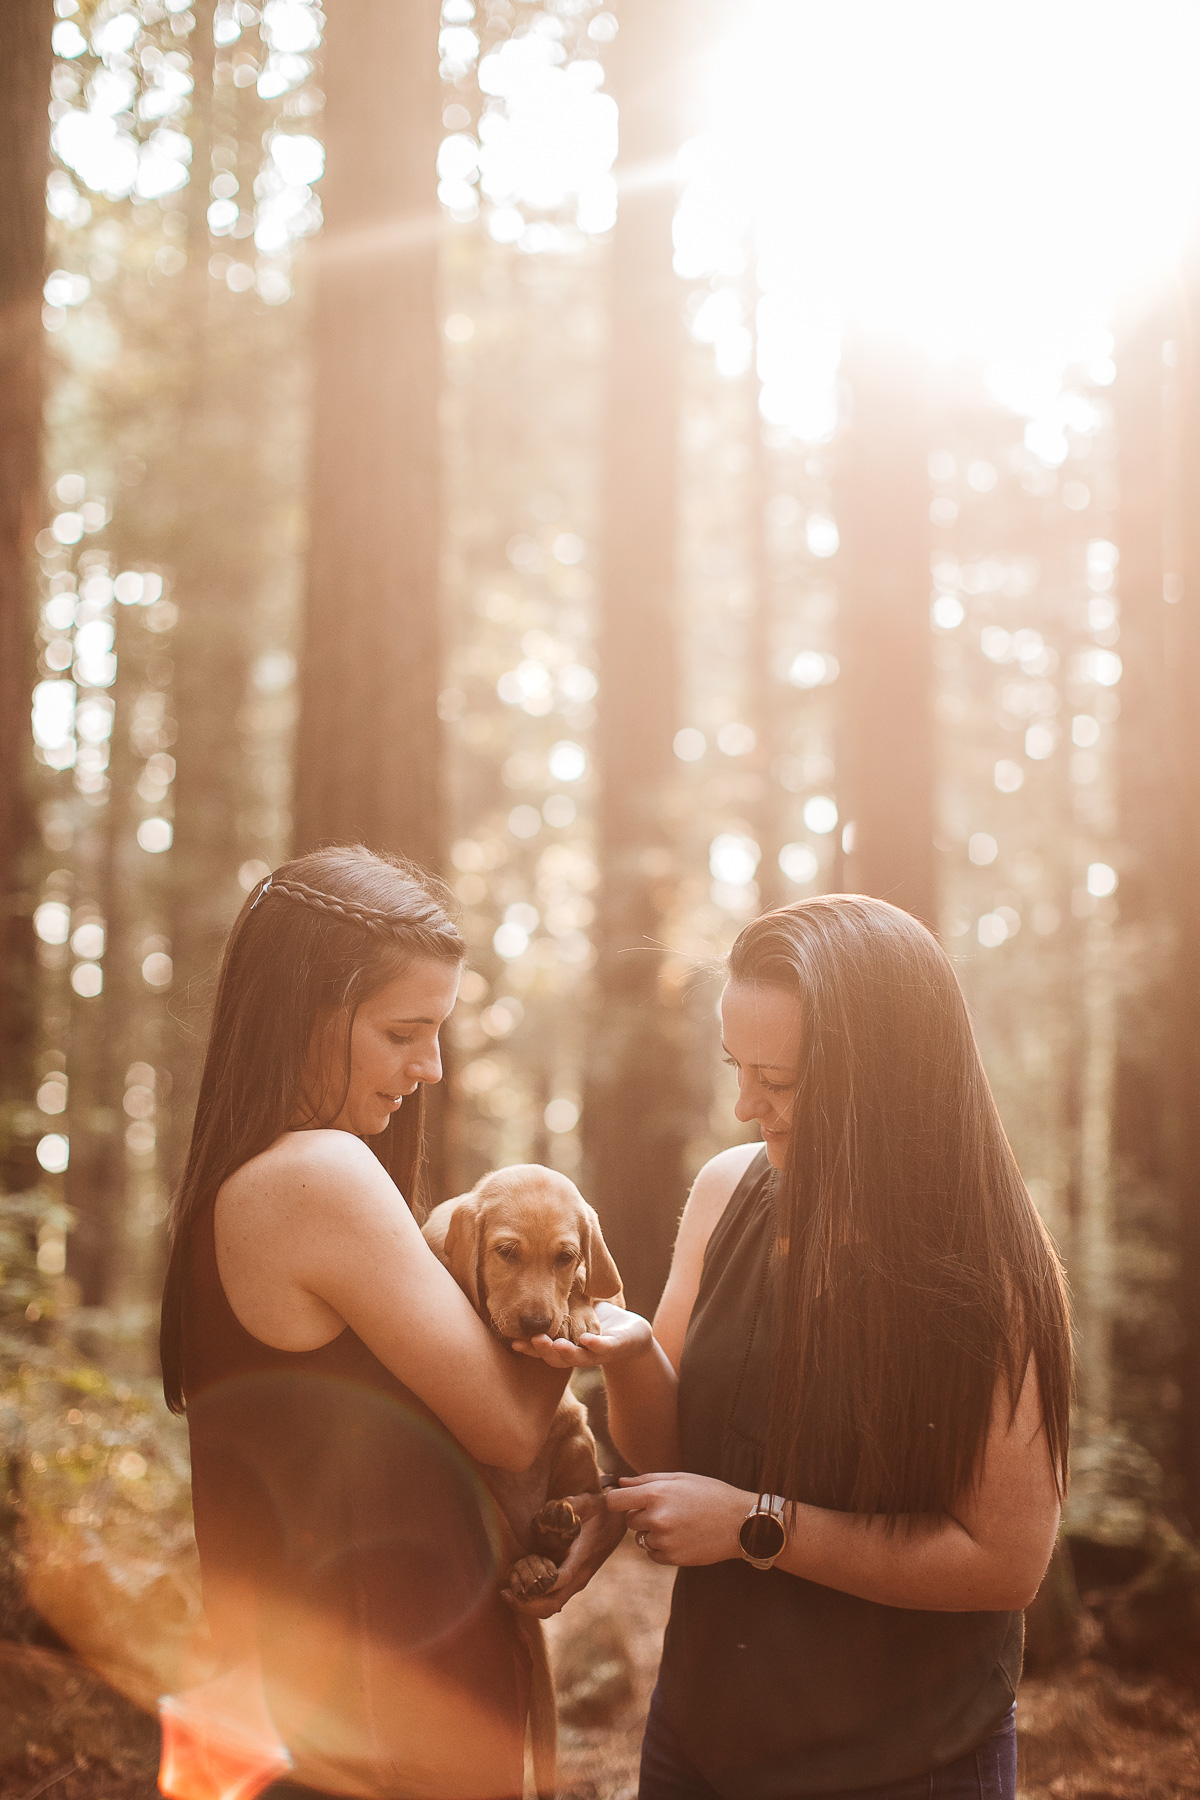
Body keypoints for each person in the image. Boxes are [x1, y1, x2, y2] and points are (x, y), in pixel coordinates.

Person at [518, 895, 1073, 1800]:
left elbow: (1007, 1563)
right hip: (699, 1740)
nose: (745, 1107)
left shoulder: (991, 1277)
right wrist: (626, 1358)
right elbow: (665, 1455)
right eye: (738, 1068)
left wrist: (754, 1526)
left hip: (905, 1764)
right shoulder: (724, 1192)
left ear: (882, 1081)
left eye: (778, 1081)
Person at [159, 846, 622, 1800]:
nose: (434, 1067)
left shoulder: (245, 1180)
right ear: (307, 1013)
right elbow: (504, 1422)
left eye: (439, 1031)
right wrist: (574, 1285)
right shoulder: (316, 1175)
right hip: (377, 1706)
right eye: (405, 1031)